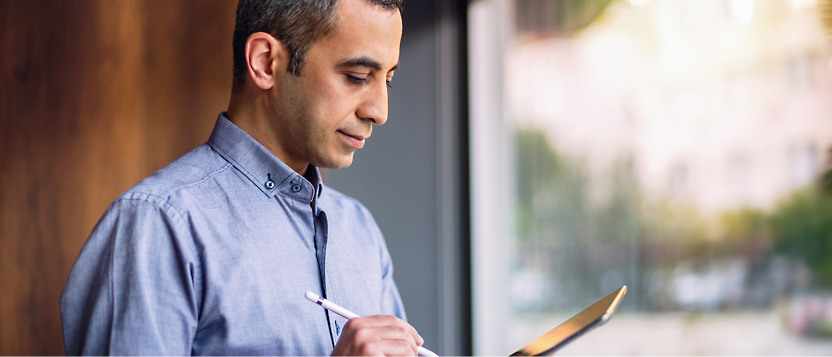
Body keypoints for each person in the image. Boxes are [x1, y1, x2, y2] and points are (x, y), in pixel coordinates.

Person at [59, 0, 425, 356]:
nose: (380, 111)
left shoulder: (360, 231)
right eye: (357, 77)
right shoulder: (158, 226)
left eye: (387, 81)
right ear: (266, 62)